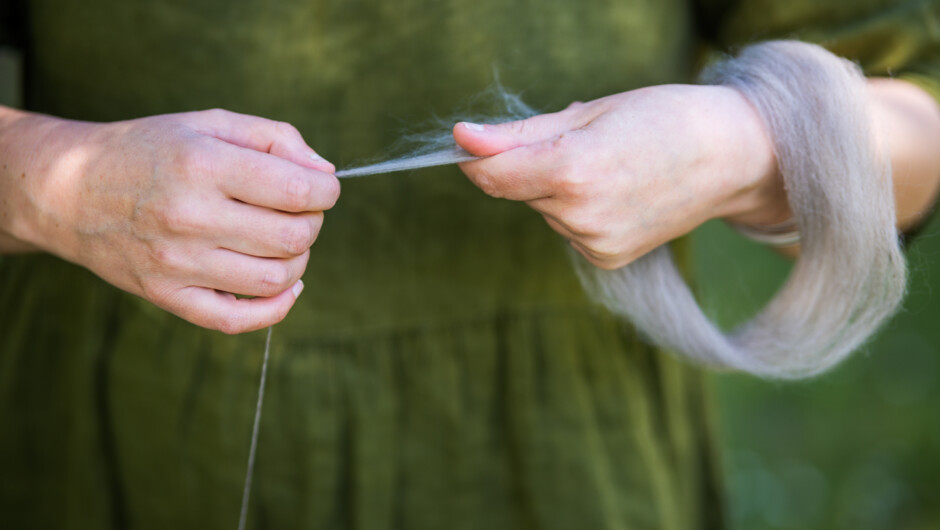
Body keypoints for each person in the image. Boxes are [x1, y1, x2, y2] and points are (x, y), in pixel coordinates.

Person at [1, 0, 938, 528]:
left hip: (569, 462)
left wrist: (742, 141)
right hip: (120, 447)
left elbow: (921, 120)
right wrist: (55, 186)